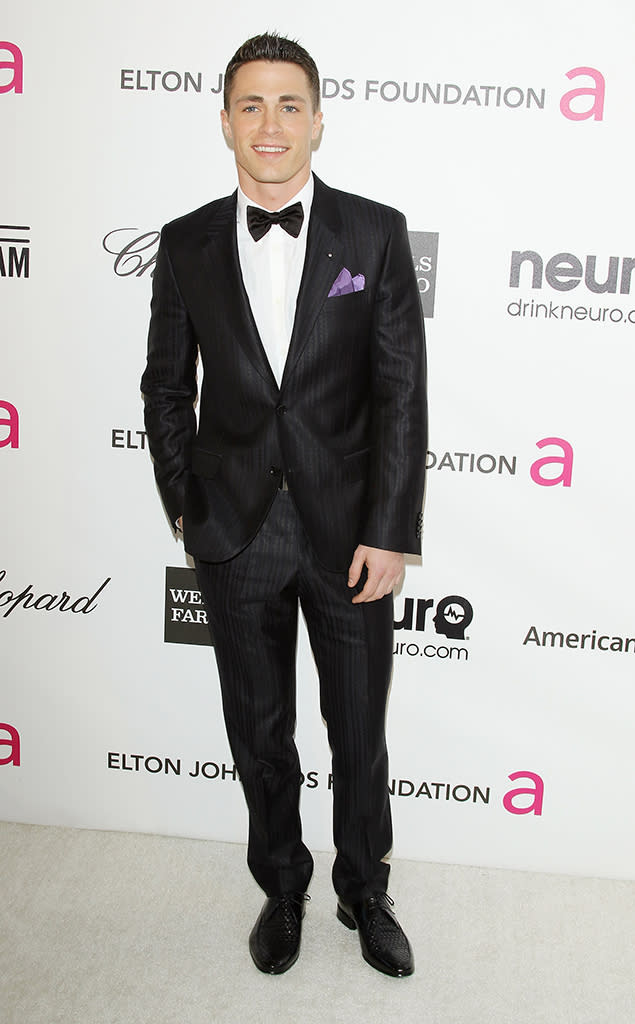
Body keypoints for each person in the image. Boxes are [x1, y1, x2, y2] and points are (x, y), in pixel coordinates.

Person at [141, 32, 427, 978]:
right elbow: (163, 388)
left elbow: (398, 392)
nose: (271, 124)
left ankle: (362, 886)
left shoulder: (375, 232)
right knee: (258, 729)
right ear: (224, 120)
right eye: (251, 105)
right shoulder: (183, 240)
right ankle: (284, 883)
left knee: (358, 728)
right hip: (234, 533)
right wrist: (188, 508)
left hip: (350, 536)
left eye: (289, 104)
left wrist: (390, 530)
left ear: (317, 119)